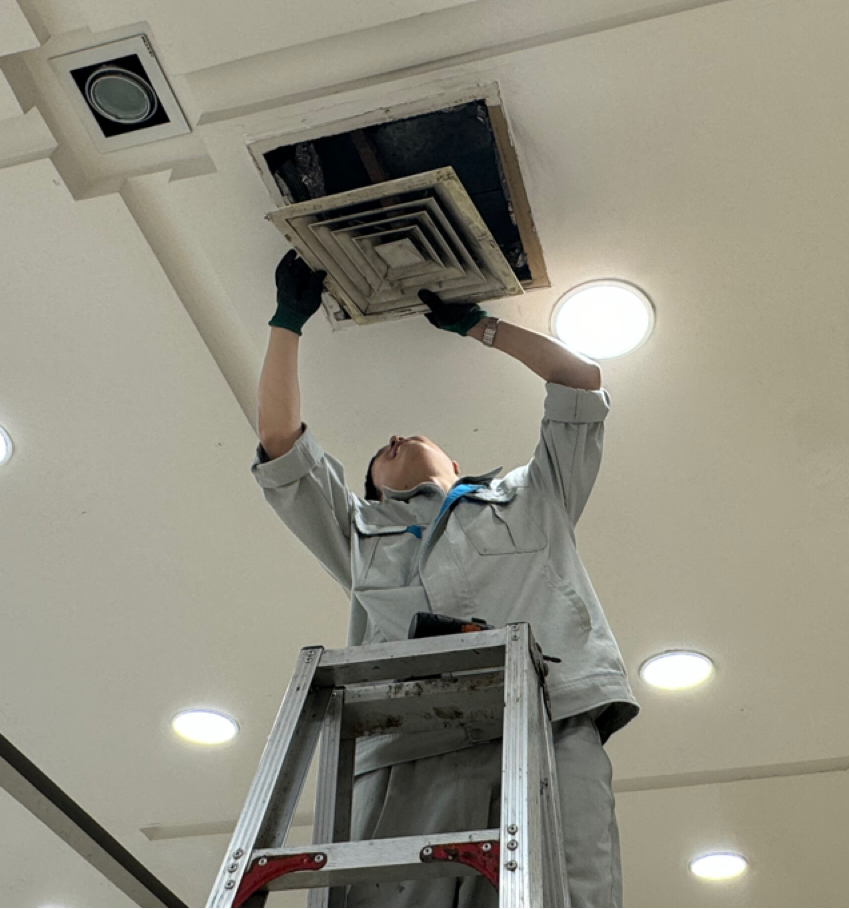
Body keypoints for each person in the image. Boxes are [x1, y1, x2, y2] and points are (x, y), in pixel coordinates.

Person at [251, 251, 639, 908]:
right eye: (376, 458)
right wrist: (287, 320)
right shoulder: (357, 530)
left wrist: (482, 326)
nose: (393, 437)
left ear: (457, 463)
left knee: (561, 894)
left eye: (411, 435)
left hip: (549, 723)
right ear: (371, 489)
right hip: (408, 741)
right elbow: (281, 444)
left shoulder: (533, 495)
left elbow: (579, 383)